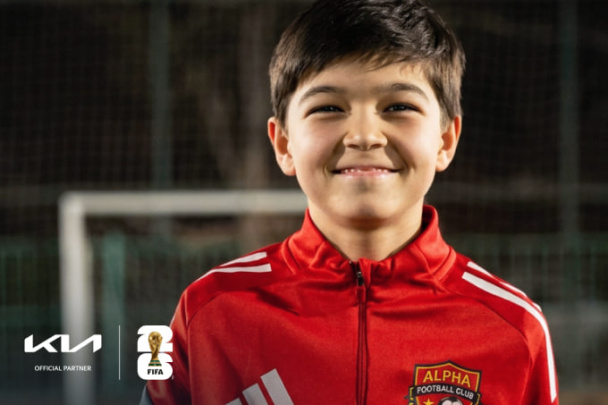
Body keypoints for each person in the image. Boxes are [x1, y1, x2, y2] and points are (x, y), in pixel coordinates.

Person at [141, 0, 559, 403]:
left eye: (398, 106)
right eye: (328, 107)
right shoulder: (209, 312)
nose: (364, 136)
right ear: (283, 144)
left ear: (445, 140)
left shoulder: (514, 328)